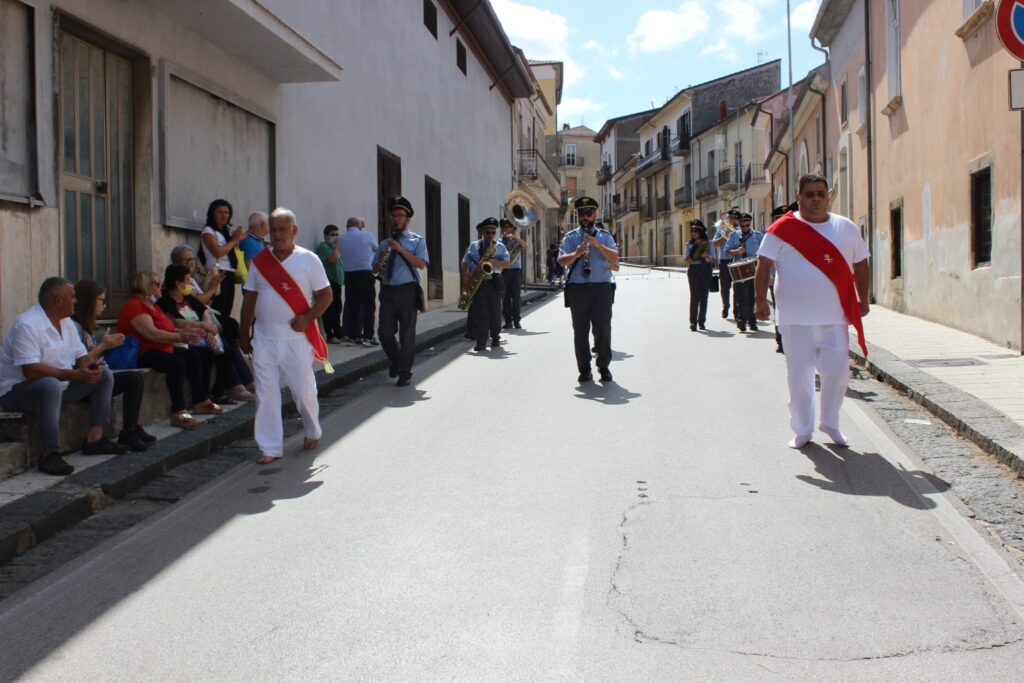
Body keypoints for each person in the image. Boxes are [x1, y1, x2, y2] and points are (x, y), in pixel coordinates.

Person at [755, 173, 871, 449]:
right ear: (799, 197)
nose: (816, 199)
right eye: (809, 194)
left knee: (838, 374)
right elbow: (763, 266)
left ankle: (830, 423)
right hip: (795, 320)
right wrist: (760, 300)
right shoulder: (782, 229)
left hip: (835, 318)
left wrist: (862, 298)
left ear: (828, 196)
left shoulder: (846, 227)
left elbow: (862, 263)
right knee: (799, 378)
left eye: (821, 193)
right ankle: (802, 430)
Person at [0, 278, 128, 475]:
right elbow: (31, 371)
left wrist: (88, 368)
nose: (76, 301)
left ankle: (95, 438)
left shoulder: (67, 323)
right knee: (49, 385)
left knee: (103, 375)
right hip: (17, 391)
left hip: (58, 388)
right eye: (72, 297)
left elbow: (81, 356)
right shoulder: (27, 324)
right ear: (57, 301)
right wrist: (76, 374)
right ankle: (49, 453)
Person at [240, 207, 333, 464]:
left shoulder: (309, 259)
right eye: (274, 229)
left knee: (302, 390)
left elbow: (326, 295)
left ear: (294, 230)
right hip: (265, 339)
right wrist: (243, 331)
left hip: (296, 339)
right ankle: (270, 447)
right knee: (265, 392)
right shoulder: (260, 262)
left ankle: (312, 428)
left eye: (283, 229)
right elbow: (249, 297)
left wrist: (307, 318)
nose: (278, 234)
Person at [117, 270, 215, 429]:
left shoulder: (152, 306)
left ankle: (200, 400)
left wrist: (184, 333)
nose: (159, 286)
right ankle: (178, 410)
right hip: (142, 352)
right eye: (156, 283)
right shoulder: (135, 306)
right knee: (176, 363)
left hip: (160, 347)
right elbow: (151, 334)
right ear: (145, 286)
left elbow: (166, 329)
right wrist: (180, 337)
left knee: (193, 356)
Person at [72, 279, 155, 452]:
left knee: (134, 379)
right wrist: (103, 347)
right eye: (101, 300)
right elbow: (75, 362)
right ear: (89, 301)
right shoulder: (73, 327)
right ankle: (122, 433)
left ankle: (131, 428)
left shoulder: (86, 328)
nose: (104, 305)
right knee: (131, 379)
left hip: (90, 379)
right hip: (77, 384)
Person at [157, 264, 254, 404]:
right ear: (178, 283)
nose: (190, 283)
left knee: (228, 350)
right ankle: (204, 396)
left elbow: (203, 312)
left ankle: (219, 391)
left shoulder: (188, 298)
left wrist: (208, 330)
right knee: (205, 355)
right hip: (187, 338)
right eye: (188, 280)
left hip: (203, 334)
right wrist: (203, 327)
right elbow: (176, 321)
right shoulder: (165, 301)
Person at [558, 196, 619, 383]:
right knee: (580, 331)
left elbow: (615, 259)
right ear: (578, 215)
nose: (585, 216)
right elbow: (561, 260)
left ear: (595, 214)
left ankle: (603, 366)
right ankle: (584, 370)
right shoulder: (570, 237)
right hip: (578, 290)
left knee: (602, 329)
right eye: (581, 213)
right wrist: (576, 253)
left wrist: (597, 246)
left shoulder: (605, 236)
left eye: (589, 213)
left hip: (601, 289)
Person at [373, 196, 429, 387]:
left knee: (407, 335)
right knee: (384, 333)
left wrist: (401, 250)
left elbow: (421, 264)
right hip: (388, 291)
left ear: (407, 219)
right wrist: (381, 257)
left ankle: (405, 372)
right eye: (394, 215)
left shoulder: (416, 240)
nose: (396, 218)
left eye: (400, 215)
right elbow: (374, 270)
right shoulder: (384, 243)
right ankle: (397, 360)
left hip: (407, 291)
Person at [462, 218, 511, 351]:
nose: (490, 235)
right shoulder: (473, 246)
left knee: (495, 313)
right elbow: (465, 262)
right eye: (488, 232)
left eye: (493, 233)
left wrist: (493, 262)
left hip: (493, 283)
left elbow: (507, 263)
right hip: (478, 284)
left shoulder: (499, 246)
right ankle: (481, 342)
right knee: (480, 313)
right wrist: (465, 281)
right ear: (482, 232)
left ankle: (495, 337)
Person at [199, 198, 246, 319]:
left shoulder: (226, 232)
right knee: (217, 309)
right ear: (212, 214)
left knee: (226, 310)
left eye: (226, 212)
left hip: (229, 273)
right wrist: (234, 240)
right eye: (220, 212)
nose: (224, 215)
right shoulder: (208, 231)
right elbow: (218, 252)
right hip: (216, 273)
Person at [338, 216, 379, 346]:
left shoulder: (341, 239)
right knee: (368, 306)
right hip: (365, 273)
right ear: (360, 225)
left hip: (349, 274)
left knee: (352, 305)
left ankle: (353, 335)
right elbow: (377, 250)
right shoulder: (367, 235)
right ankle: (368, 336)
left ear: (347, 226)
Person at [725, 211, 763, 332]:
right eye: (743, 226)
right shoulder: (734, 235)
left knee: (752, 296)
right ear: (739, 224)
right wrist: (737, 251)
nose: (745, 228)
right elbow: (727, 251)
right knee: (740, 295)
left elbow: (764, 251)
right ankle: (742, 319)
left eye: (747, 225)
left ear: (750, 224)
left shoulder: (757, 235)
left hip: (754, 269)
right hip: (739, 270)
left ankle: (752, 321)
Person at [315, 224, 345, 343]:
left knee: (337, 308)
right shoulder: (324, 247)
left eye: (337, 235)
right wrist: (335, 247)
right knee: (329, 309)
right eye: (332, 235)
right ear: (326, 236)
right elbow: (333, 258)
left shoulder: (333, 247)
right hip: (328, 281)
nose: (335, 237)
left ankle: (338, 332)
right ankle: (330, 334)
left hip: (336, 282)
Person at [683, 220, 714, 332]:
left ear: (701, 232)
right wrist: (691, 255)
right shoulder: (689, 244)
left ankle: (702, 321)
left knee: (704, 296)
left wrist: (707, 256)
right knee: (694, 296)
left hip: (705, 269)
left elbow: (712, 260)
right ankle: (693, 322)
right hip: (693, 270)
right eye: (692, 231)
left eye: (695, 231)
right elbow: (687, 260)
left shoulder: (708, 243)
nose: (693, 233)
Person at [712, 208, 742, 318]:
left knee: (737, 286)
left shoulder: (741, 230)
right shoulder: (722, 229)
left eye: (734, 219)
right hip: (724, 261)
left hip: (737, 261)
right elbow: (715, 244)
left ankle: (736, 310)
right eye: (730, 218)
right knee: (725, 287)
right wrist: (725, 235)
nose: (731, 220)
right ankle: (726, 306)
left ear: (738, 220)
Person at [500, 218, 528, 330]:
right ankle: (508, 321)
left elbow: (525, 246)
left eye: (508, 227)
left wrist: (516, 237)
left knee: (516, 297)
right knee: (505, 298)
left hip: (516, 271)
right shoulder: (500, 241)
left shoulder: (517, 240)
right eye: (504, 227)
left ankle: (517, 321)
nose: (506, 229)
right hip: (504, 272)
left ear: (512, 228)